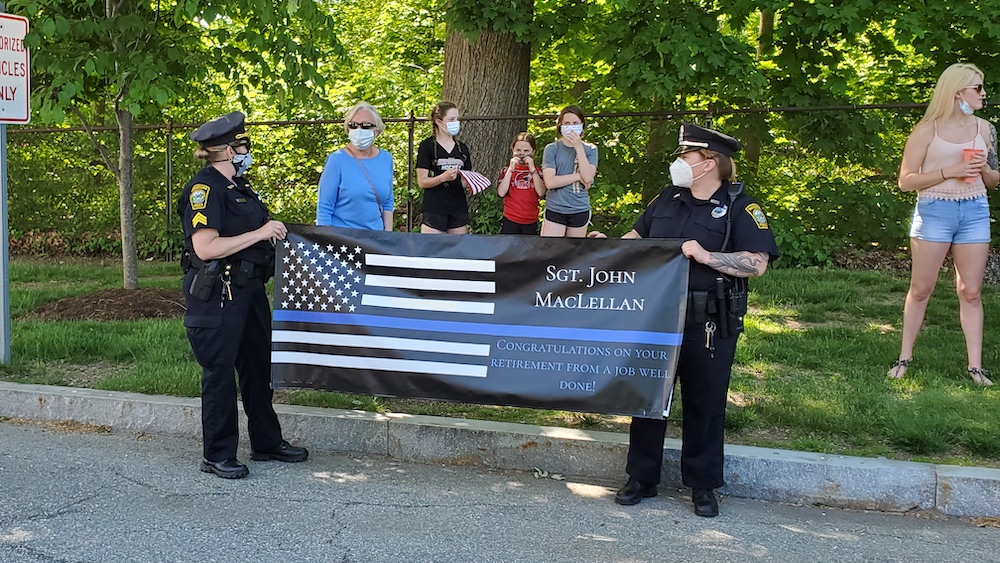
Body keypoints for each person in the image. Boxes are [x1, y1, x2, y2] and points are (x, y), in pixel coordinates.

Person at [596, 124, 778, 517]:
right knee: (648, 398)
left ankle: (703, 485)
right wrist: (603, 248)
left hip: (708, 320)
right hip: (656, 315)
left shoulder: (740, 206)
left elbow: (757, 263)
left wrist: (707, 255)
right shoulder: (667, 199)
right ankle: (641, 477)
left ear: (710, 162)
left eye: (687, 156)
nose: (679, 162)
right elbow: (636, 237)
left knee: (706, 402)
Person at [177, 111, 308, 479]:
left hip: (249, 290)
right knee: (220, 373)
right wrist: (259, 232)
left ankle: (266, 442)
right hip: (219, 292)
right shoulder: (204, 190)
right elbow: (206, 247)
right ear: (225, 151)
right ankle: (217, 454)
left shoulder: (240, 188)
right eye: (242, 145)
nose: (246, 150)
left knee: (258, 369)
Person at [889, 63, 998, 386]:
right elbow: (906, 181)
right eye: (977, 88)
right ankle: (904, 358)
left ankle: (975, 368)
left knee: (972, 291)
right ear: (956, 93)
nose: (983, 94)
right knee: (921, 289)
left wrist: (982, 170)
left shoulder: (985, 129)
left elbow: (994, 179)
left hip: (975, 209)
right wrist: (951, 170)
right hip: (935, 209)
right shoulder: (927, 130)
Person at [317, 101, 394, 230]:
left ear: (376, 131)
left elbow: (388, 202)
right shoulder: (336, 160)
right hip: (343, 241)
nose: (358, 130)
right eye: (353, 125)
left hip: (375, 240)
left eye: (365, 125)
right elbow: (324, 208)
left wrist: (387, 237)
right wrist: (327, 242)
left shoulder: (386, 159)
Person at [541, 105, 598, 237]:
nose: (571, 126)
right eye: (567, 123)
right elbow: (550, 182)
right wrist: (578, 176)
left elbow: (588, 178)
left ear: (582, 125)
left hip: (579, 208)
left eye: (575, 123)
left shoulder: (591, 149)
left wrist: (578, 147)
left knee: (574, 253)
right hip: (555, 208)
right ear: (560, 125)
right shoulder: (551, 149)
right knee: (551, 251)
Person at [416, 101, 472, 234]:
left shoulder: (462, 148)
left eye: (457, 119)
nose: (456, 122)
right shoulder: (427, 146)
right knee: (432, 251)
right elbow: (422, 181)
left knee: (456, 252)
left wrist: (472, 184)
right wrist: (442, 178)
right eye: (452, 119)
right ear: (439, 122)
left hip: (458, 208)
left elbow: (465, 180)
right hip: (434, 208)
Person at [497, 132, 546, 234]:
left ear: (533, 152)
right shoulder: (506, 171)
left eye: (526, 151)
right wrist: (511, 169)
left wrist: (532, 169)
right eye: (518, 150)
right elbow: (501, 193)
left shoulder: (538, 171)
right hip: (510, 219)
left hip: (530, 220)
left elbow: (541, 193)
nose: (522, 154)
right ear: (513, 150)